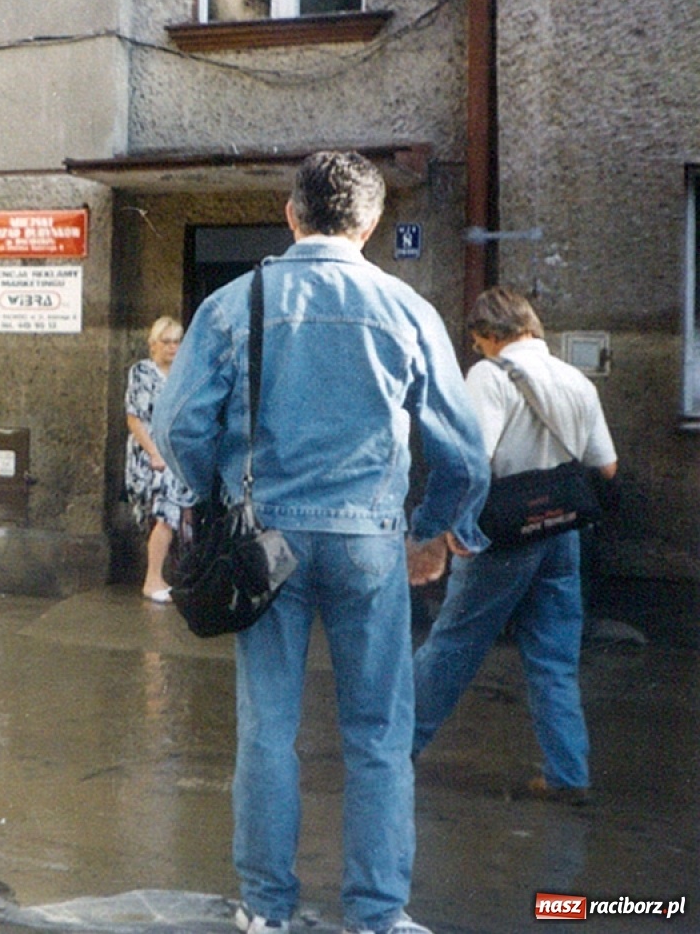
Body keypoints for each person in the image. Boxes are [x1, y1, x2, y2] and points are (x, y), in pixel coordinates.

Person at [151, 151, 490, 934]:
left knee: (267, 729)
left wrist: (212, 495)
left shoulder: (237, 304)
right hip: (371, 541)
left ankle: (266, 910)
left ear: (290, 214)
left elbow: (178, 425)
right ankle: (377, 915)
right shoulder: (405, 308)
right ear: (369, 225)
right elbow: (464, 452)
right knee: (378, 734)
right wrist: (438, 531)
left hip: (265, 544)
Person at [412, 287, 617, 804]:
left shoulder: (489, 374)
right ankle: (567, 773)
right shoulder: (575, 379)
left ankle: (392, 748)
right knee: (554, 660)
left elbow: (470, 460)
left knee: (453, 645)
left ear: (487, 335)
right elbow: (606, 467)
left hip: (502, 535)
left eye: (478, 342)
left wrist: (447, 529)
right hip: (562, 534)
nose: (479, 350)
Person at [124, 315, 194, 603]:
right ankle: (152, 579)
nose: (173, 348)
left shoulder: (183, 374)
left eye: (177, 341)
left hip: (177, 453)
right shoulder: (142, 372)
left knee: (179, 514)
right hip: (151, 454)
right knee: (165, 514)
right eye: (167, 342)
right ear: (154, 343)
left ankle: (166, 575)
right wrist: (154, 453)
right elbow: (134, 418)